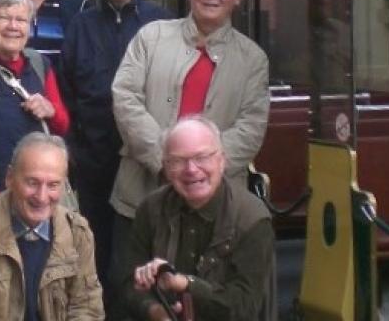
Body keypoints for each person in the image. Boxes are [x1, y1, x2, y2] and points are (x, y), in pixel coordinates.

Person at [110, 0, 270, 258]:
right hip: (140, 198)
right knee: (131, 293)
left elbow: (251, 129)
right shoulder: (151, 37)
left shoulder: (253, 60)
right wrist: (166, 162)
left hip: (216, 209)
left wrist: (198, 172)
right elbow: (125, 97)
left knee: (201, 297)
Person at [61, 0, 174, 295]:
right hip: (94, 164)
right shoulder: (81, 26)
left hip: (147, 164)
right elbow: (66, 93)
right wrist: (74, 153)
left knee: (144, 258)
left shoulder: (162, 24)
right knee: (96, 259)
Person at [116, 117, 274, 321]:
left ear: (222, 160)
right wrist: (156, 312)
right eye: (179, 160)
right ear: (165, 167)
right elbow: (129, 285)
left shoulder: (251, 218)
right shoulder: (151, 208)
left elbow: (244, 307)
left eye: (202, 157)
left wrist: (185, 284)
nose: (191, 169)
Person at [0, 133, 104, 320]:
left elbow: (87, 308)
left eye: (53, 185)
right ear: (10, 178)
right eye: (32, 182)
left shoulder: (78, 232)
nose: (41, 196)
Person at [0, 0, 69, 196]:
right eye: (4, 18)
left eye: (21, 20)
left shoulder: (39, 64)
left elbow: (62, 126)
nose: (13, 26)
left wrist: (50, 111)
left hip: (39, 194)